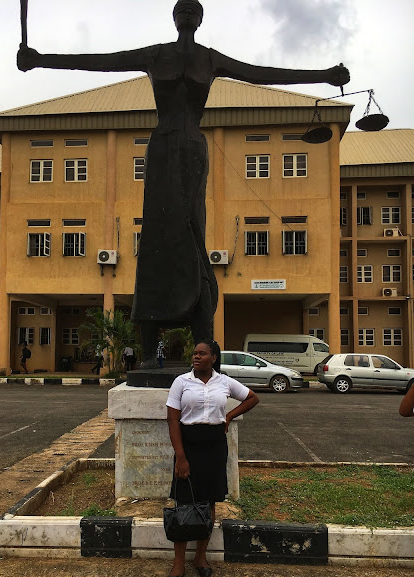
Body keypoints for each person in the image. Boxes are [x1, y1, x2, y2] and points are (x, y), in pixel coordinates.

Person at [17, 0, 350, 367]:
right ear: (174, 17)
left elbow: (259, 73)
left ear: (200, 19)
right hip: (161, 147)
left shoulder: (210, 59)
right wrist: (41, 59)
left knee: (192, 229)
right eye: (183, 9)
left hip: (192, 148)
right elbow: (102, 61)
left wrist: (323, 74)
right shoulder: (155, 55)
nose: (188, 14)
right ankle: (148, 351)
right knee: (157, 233)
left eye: (194, 10)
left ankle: (201, 332)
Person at [165, 339, 259, 577]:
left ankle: (200, 557)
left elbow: (252, 398)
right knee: (184, 502)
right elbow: (173, 420)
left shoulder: (224, 382)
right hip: (188, 446)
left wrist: (229, 416)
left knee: (209, 503)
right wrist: (180, 457)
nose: (196, 357)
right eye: (194, 353)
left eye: (202, 353)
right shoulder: (181, 382)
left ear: (214, 358)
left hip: (215, 447)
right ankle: (178, 562)